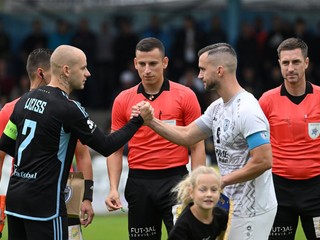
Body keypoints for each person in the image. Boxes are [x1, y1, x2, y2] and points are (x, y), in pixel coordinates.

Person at [0, 45, 152, 240]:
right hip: (44, 206)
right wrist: (138, 121)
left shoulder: (23, 100)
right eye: (83, 68)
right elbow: (106, 146)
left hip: (15, 201)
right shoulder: (69, 109)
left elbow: (5, 143)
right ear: (66, 70)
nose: (88, 73)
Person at [136, 42, 278, 240]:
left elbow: (263, 160)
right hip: (228, 205)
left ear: (219, 70)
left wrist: (220, 181)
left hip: (252, 210)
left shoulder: (247, 109)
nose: (199, 75)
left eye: (202, 69)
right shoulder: (217, 107)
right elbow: (187, 135)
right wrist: (150, 121)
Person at [105, 37, 206, 240]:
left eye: (153, 63)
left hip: (176, 182)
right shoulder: (123, 99)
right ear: (135, 64)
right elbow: (115, 149)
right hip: (139, 182)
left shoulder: (185, 95)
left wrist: (197, 186)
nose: (147, 70)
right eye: (142, 64)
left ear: (165, 62)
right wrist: (113, 188)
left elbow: (197, 145)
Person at [0, 48, 94, 240]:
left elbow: (82, 154)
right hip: (30, 193)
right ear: (42, 73)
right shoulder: (11, 109)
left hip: (66, 192)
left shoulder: (66, 108)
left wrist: (86, 197)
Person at [259, 37, 320, 240]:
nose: (290, 68)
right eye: (285, 63)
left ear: (307, 63)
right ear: (279, 64)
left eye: (295, 62)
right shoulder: (267, 101)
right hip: (279, 191)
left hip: (316, 191)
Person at [168, 165, 228, 240]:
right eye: (203, 190)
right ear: (191, 192)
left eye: (214, 190)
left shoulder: (222, 216)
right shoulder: (183, 225)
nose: (209, 194)